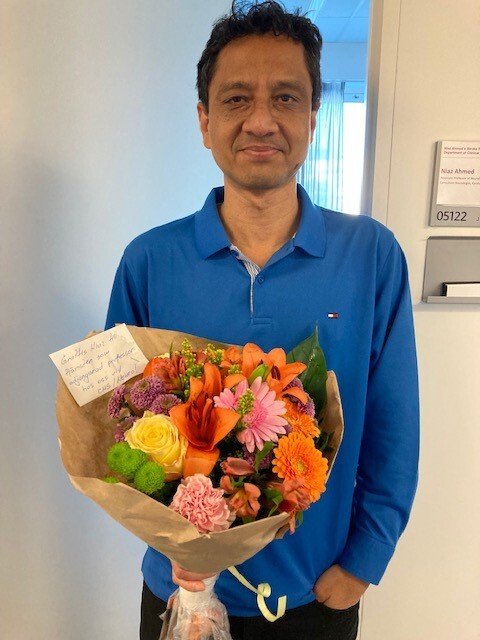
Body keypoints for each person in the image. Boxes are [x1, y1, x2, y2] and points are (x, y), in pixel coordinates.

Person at [104, 2, 420, 639]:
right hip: (179, 594)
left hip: (316, 596)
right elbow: (114, 426)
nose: (260, 120)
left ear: (312, 117)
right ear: (205, 120)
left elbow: (394, 427)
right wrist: (168, 545)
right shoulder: (149, 261)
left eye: (285, 97)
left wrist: (362, 565)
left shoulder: (371, 256)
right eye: (236, 99)